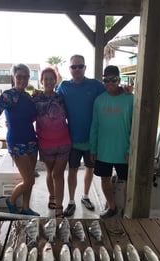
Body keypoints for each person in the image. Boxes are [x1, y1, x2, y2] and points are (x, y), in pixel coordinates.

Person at [56, 54, 105, 217]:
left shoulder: (95, 85)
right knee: (73, 170)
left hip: (92, 138)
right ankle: (71, 201)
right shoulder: (64, 86)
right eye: (73, 67)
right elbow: (51, 102)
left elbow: (111, 94)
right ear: (69, 69)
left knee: (89, 169)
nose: (77, 69)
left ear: (85, 67)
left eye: (80, 66)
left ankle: (85, 196)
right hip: (72, 138)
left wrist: (124, 90)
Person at [0, 63, 40, 216]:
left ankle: (26, 207)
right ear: (14, 77)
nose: (22, 80)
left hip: (32, 139)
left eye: (26, 77)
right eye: (19, 76)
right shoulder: (7, 95)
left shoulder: (27, 96)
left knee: (30, 176)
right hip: (16, 142)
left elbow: (32, 117)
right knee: (29, 180)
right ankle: (11, 201)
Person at [90, 65, 134, 218]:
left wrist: (131, 150)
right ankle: (112, 207)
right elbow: (94, 126)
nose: (110, 83)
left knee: (129, 180)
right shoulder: (98, 101)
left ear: (119, 80)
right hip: (103, 150)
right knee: (105, 179)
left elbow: (135, 128)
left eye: (113, 79)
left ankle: (127, 209)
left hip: (124, 151)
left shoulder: (130, 98)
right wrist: (93, 149)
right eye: (106, 80)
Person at [32, 67, 71, 217]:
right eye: (45, 79)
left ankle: (59, 207)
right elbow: (25, 114)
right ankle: (52, 196)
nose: (48, 81)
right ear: (41, 81)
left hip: (63, 141)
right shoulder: (35, 99)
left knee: (57, 173)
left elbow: (71, 113)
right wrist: (11, 122)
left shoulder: (61, 97)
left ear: (56, 81)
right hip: (45, 143)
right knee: (50, 172)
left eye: (51, 78)